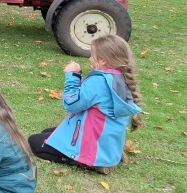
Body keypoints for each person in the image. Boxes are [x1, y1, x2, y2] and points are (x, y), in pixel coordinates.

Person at [28, 34, 143, 174]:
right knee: (47, 132)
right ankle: (105, 157)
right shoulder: (121, 76)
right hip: (104, 142)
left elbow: (71, 103)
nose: (89, 58)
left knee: (34, 142)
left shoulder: (99, 81)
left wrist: (72, 75)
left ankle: (84, 161)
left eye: (92, 55)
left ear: (103, 61)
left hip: (93, 147)